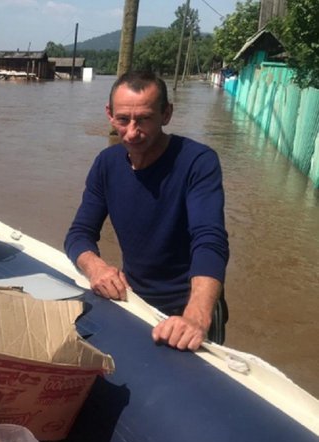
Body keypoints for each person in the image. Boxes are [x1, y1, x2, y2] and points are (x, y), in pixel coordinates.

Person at [64, 71, 229, 351]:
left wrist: (196, 316)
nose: (131, 132)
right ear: (109, 114)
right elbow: (79, 233)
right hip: (134, 300)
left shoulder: (197, 162)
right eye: (123, 119)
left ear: (166, 114)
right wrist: (96, 268)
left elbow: (209, 240)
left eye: (144, 120)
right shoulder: (107, 163)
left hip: (189, 306)